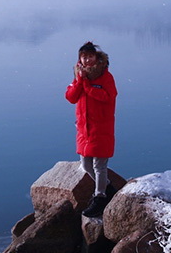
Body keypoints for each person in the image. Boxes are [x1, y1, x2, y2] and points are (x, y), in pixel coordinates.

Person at [65, 41, 118, 217]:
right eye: (83, 56)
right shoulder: (79, 77)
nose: (86, 59)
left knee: (99, 165)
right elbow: (71, 97)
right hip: (84, 129)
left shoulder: (105, 77)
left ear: (96, 58)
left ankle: (100, 197)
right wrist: (80, 82)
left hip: (100, 128)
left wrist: (88, 86)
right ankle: (109, 188)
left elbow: (108, 97)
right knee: (85, 165)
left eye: (90, 56)